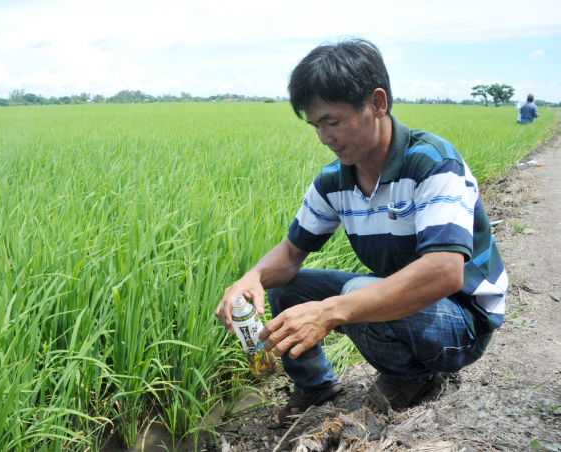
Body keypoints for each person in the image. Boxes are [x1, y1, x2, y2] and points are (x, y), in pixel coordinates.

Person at [215, 38, 508, 427]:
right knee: (287, 287)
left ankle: (410, 378)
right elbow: (289, 254)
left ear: (377, 103)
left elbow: (443, 271)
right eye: (316, 125)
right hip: (407, 301)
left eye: (332, 122)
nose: (325, 137)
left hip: (462, 319)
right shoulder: (334, 182)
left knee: (351, 296)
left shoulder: (433, 164)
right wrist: (251, 278)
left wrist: (330, 312)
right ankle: (316, 385)